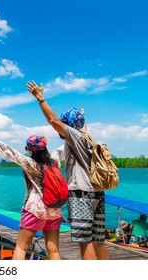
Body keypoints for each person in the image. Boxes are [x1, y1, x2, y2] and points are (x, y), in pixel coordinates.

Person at [27, 80, 109, 260]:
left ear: (69, 126)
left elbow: (52, 120)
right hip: (98, 194)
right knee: (98, 241)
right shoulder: (88, 136)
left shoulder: (74, 136)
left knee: (85, 241)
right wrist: (80, 114)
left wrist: (41, 99)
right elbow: (80, 123)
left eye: (65, 125)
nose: (60, 129)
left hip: (81, 195)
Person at [0, 133, 63, 260]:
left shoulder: (31, 164)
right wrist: (78, 132)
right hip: (54, 209)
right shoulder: (54, 162)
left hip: (36, 210)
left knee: (21, 247)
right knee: (54, 250)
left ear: (30, 150)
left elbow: (12, 153)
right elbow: (62, 149)